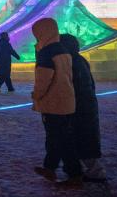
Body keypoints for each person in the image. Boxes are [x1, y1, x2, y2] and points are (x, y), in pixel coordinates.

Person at [31, 17, 81, 185]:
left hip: (53, 102)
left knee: (61, 139)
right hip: (66, 100)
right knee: (57, 137)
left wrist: (36, 95)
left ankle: (74, 175)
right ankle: (50, 167)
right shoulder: (62, 49)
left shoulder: (47, 53)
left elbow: (43, 80)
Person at [60, 34, 105, 181]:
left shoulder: (72, 62)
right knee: (81, 138)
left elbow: (74, 86)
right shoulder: (78, 59)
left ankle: (95, 172)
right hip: (85, 105)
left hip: (80, 106)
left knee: (82, 138)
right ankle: (82, 169)